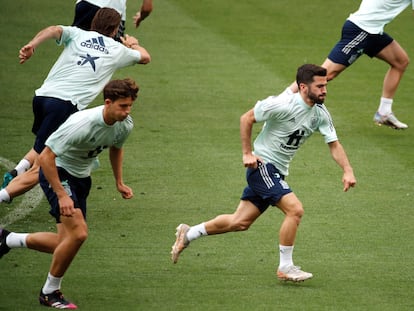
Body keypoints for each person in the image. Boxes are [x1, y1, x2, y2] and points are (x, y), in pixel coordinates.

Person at [171, 64, 357, 282]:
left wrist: (347, 170)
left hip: (277, 171)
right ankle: (285, 267)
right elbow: (246, 118)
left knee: (240, 222)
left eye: (326, 85)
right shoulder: (282, 104)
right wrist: (247, 153)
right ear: (304, 87)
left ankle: (189, 233)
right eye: (320, 86)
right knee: (295, 210)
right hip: (262, 167)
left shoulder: (320, 113)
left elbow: (333, 144)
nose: (325, 90)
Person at [0, 78, 139, 309]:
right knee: (79, 235)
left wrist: (119, 182)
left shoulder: (125, 124)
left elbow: (116, 148)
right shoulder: (82, 123)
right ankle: (49, 292)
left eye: (130, 106)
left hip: (81, 179)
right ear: (107, 102)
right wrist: (62, 194)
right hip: (58, 172)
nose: (127, 111)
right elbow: (45, 157)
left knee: (65, 244)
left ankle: (7, 239)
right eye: (123, 106)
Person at [0, 8, 150, 201]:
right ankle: (6, 193)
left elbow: (53, 29)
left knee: (46, 143)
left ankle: (15, 172)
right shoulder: (117, 50)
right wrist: (133, 44)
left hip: (42, 97)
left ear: (94, 22)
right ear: (114, 30)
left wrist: (32, 44)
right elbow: (145, 57)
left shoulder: (78, 33)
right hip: (65, 104)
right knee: (45, 162)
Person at [286, 0, 411, 130]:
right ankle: (279, 105)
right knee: (324, 74)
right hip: (362, 30)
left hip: (373, 31)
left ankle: (384, 112)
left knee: (400, 61)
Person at [73, 0, 153, 40]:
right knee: (106, 54)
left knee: (76, 47)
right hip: (111, 12)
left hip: (85, 5)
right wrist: (141, 17)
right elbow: (147, 8)